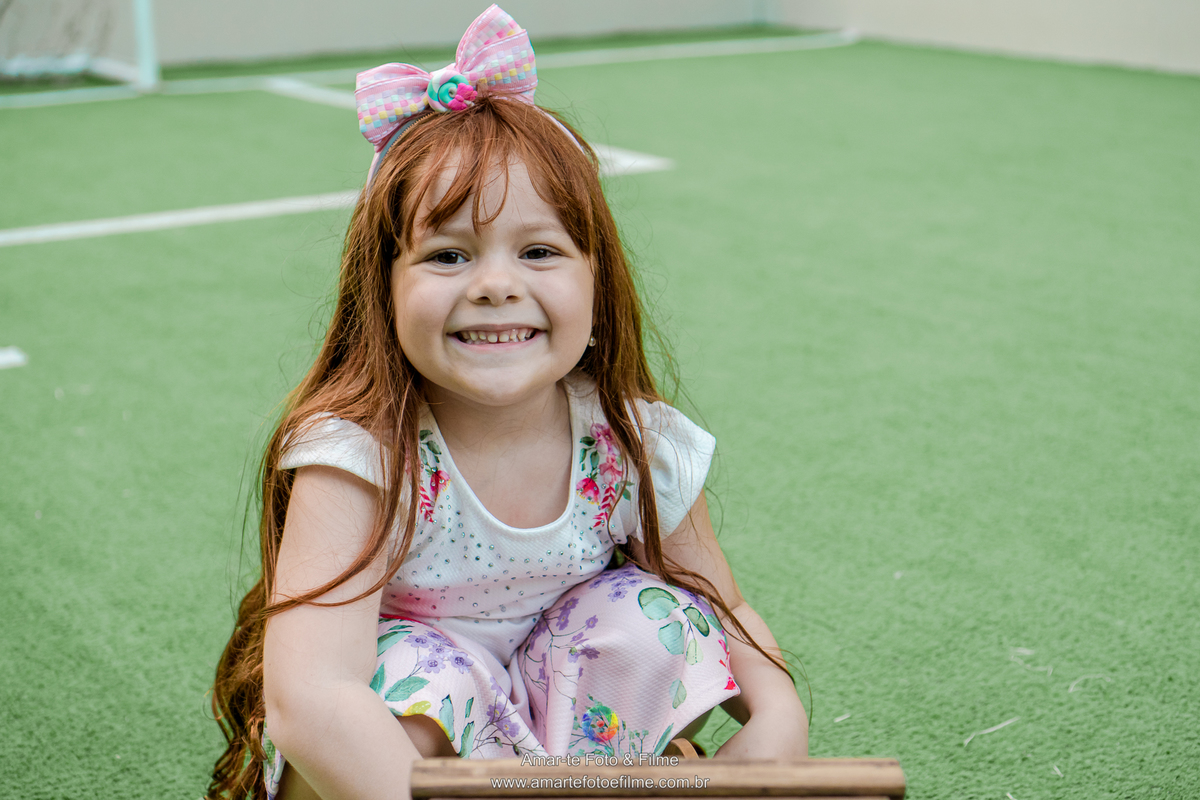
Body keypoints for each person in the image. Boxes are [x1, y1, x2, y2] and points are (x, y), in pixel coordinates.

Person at [208, 6, 807, 800]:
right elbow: (310, 699)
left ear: (599, 286)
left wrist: (777, 719)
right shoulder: (359, 455)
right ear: (381, 290)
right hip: (393, 768)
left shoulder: (629, 441)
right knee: (422, 672)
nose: (495, 285)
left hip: (557, 740)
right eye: (449, 254)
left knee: (655, 614)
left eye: (539, 251)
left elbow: (720, 603)